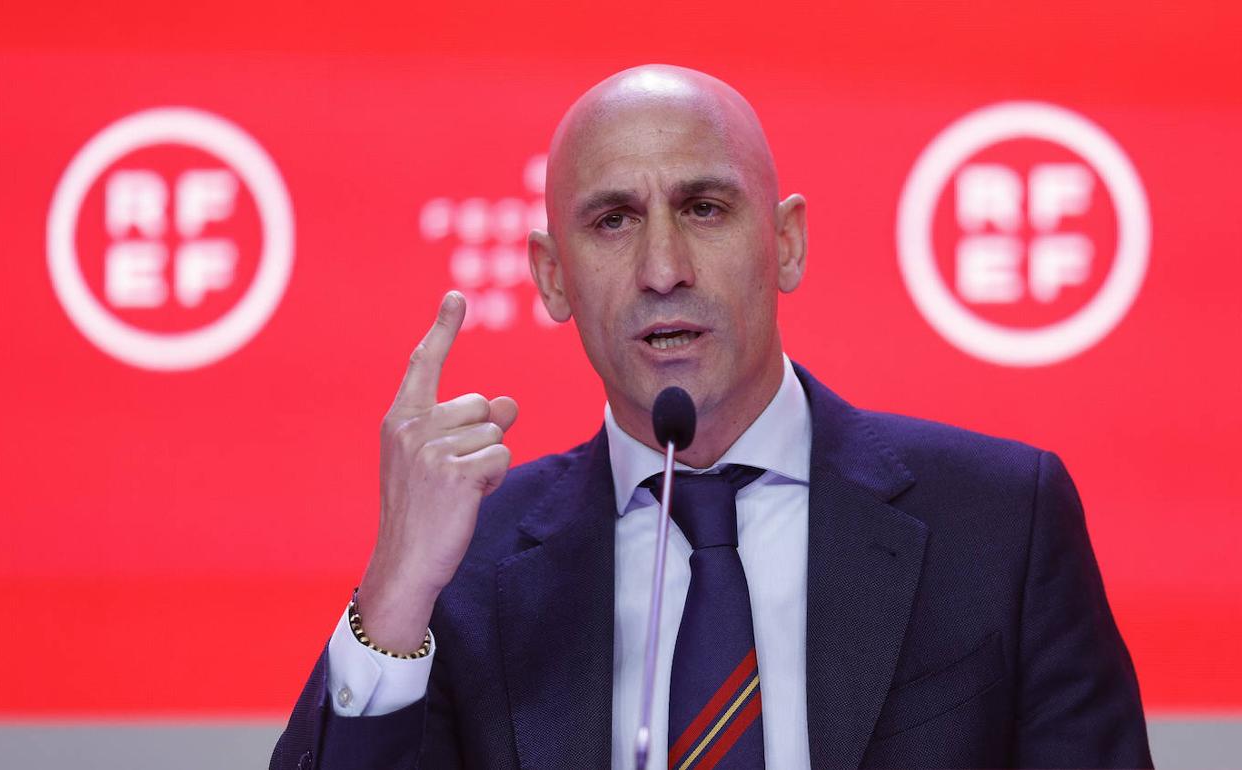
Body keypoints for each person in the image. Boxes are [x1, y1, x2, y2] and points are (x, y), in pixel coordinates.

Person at [271, 64, 1152, 769]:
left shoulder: (1001, 519)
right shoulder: (468, 565)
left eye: (704, 208)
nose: (663, 267)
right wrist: (394, 598)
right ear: (551, 276)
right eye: (613, 221)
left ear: (786, 243)